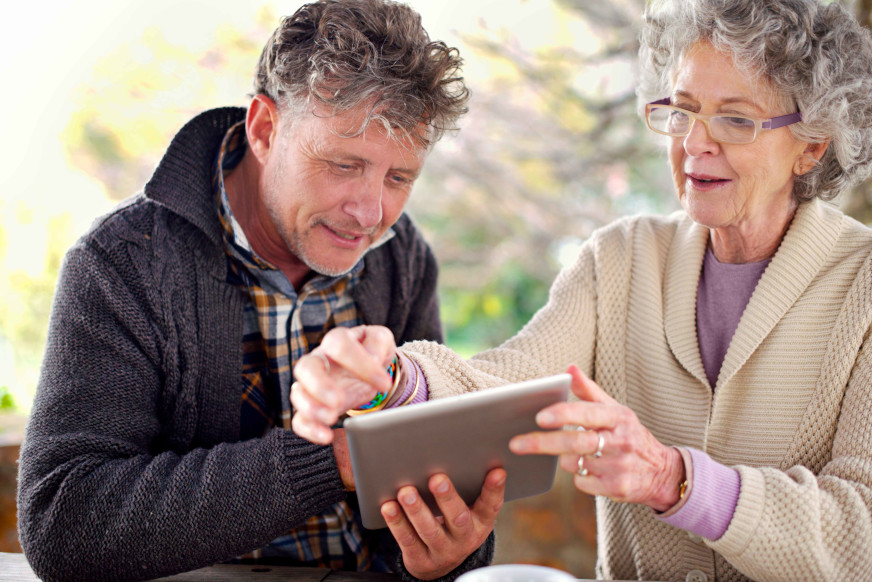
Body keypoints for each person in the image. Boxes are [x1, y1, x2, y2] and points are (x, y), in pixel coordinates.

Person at [290, 0, 872, 580]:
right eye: (684, 110)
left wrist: (673, 479)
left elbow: (861, 533)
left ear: (812, 143)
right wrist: (392, 378)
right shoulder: (620, 259)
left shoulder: (862, 283)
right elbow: (511, 379)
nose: (695, 143)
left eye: (736, 120)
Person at [16, 1, 506, 581]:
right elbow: (63, 524)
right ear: (265, 129)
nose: (372, 214)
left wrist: (453, 553)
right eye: (345, 165)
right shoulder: (122, 264)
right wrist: (333, 461)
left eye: (399, 178)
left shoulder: (401, 257)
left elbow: (431, 470)